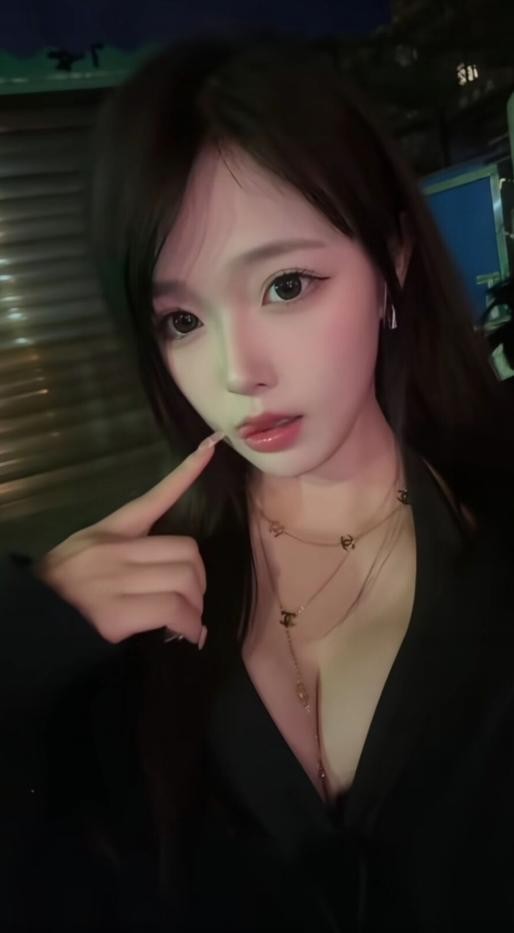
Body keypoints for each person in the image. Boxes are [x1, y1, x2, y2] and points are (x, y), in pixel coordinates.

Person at [2, 34, 514, 933]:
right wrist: (28, 641)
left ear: (392, 261)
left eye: (286, 285)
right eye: (181, 320)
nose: (237, 371)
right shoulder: (124, 629)